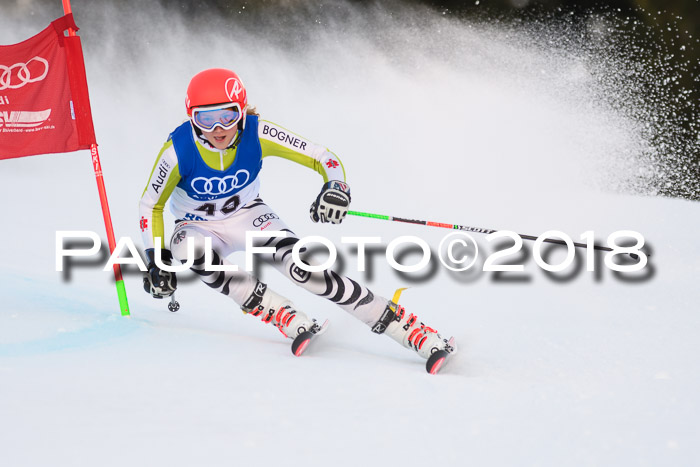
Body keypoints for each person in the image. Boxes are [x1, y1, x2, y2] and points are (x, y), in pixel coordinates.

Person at [139, 68, 454, 365]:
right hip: (197, 227)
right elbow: (150, 205)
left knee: (305, 271)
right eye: (206, 119)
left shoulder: (257, 132)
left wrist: (335, 187)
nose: (218, 128)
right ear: (191, 118)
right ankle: (280, 313)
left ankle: (405, 327)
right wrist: (155, 259)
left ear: (242, 110)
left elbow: (322, 156)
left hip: (248, 215)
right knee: (188, 251)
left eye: (228, 115)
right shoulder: (177, 151)